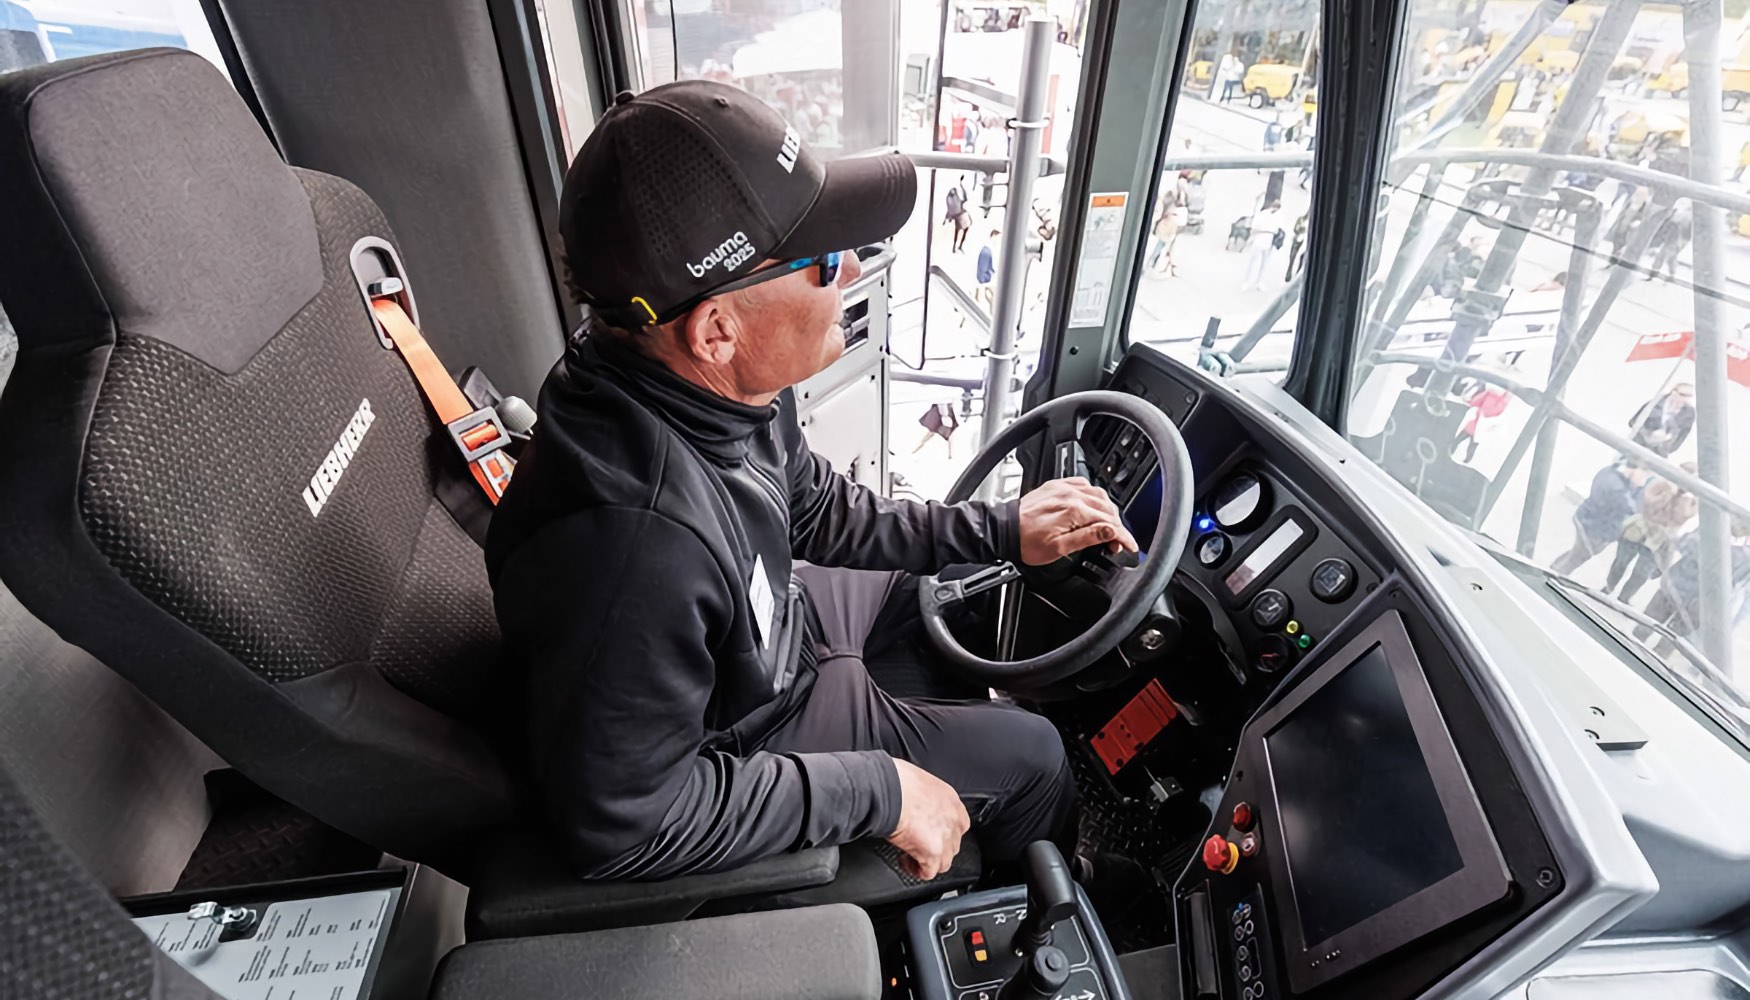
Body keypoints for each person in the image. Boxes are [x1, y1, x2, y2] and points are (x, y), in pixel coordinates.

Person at [487, 81, 1142, 892]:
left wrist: (1001, 529)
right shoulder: (631, 551)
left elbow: (818, 507)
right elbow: (626, 823)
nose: (855, 269)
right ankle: (1049, 887)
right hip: (747, 731)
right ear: (716, 329)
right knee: (1037, 756)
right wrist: (877, 789)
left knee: (950, 580)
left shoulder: (711, 388)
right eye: (825, 261)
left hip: (775, 637)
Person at [1605, 469, 1697, 603]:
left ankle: (1624, 596)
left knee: (1642, 572)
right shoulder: (1662, 485)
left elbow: (1680, 517)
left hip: (1659, 539)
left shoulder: (1690, 501)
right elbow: (1648, 501)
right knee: (1621, 561)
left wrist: (1684, 498)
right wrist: (1668, 492)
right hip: (1639, 528)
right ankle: (1608, 587)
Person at [1551, 458, 1651, 575]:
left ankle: (1552, 569)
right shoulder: (1619, 491)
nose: (1644, 479)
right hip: (1594, 532)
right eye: (1644, 474)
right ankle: (1551, 576)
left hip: (1587, 520)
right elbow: (1633, 510)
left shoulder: (1609, 472)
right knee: (1575, 559)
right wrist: (1639, 487)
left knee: (1574, 554)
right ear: (1636, 470)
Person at [1630, 382, 1696, 457]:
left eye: (1689, 396)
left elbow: (1684, 433)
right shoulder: (1656, 402)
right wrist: (1647, 433)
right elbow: (1635, 420)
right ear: (1673, 392)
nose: (1686, 399)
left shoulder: (1689, 413)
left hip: (1660, 452)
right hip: (1639, 443)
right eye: (1683, 395)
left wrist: (1669, 447)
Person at [1452, 380, 1510, 463]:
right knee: (1466, 441)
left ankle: (1465, 459)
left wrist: (1476, 405)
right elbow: (1476, 402)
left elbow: (1489, 410)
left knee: (1469, 443)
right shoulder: (1496, 398)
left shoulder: (1498, 399)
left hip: (1480, 424)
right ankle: (1461, 456)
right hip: (1477, 423)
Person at [1240, 200, 1285, 291]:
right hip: (1259, 240)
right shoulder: (1263, 215)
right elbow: (1254, 228)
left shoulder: (1277, 216)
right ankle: (1246, 281)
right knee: (1252, 262)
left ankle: (1258, 282)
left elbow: (1277, 229)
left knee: (1264, 263)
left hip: (1268, 242)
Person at [1644, 202, 1692, 282]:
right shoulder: (1691, 215)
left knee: (1662, 255)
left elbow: (1674, 220)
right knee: (1671, 257)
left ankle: (1654, 272)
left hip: (1675, 238)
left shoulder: (1686, 214)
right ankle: (1671, 275)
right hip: (1680, 239)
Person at [1146, 186, 1181, 277]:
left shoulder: (1165, 206)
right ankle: (1152, 264)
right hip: (1163, 233)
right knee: (1159, 248)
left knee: (1159, 249)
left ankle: (1153, 264)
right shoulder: (1167, 209)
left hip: (1163, 232)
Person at [946, 175, 972, 253]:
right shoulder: (956, 199)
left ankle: (956, 246)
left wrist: (948, 217)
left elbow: (949, 209)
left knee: (958, 231)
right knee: (962, 230)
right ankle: (958, 246)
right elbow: (965, 198)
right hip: (962, 215)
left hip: (959, 216)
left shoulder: (951, 198)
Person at [975, 227, 998, 310]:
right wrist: (986, 279)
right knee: (994, 295)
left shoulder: (987, 249)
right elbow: (983, 268)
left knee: (990, 295)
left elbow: (989, 266)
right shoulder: (987, 251)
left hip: (983, 279)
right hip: (984, 279)